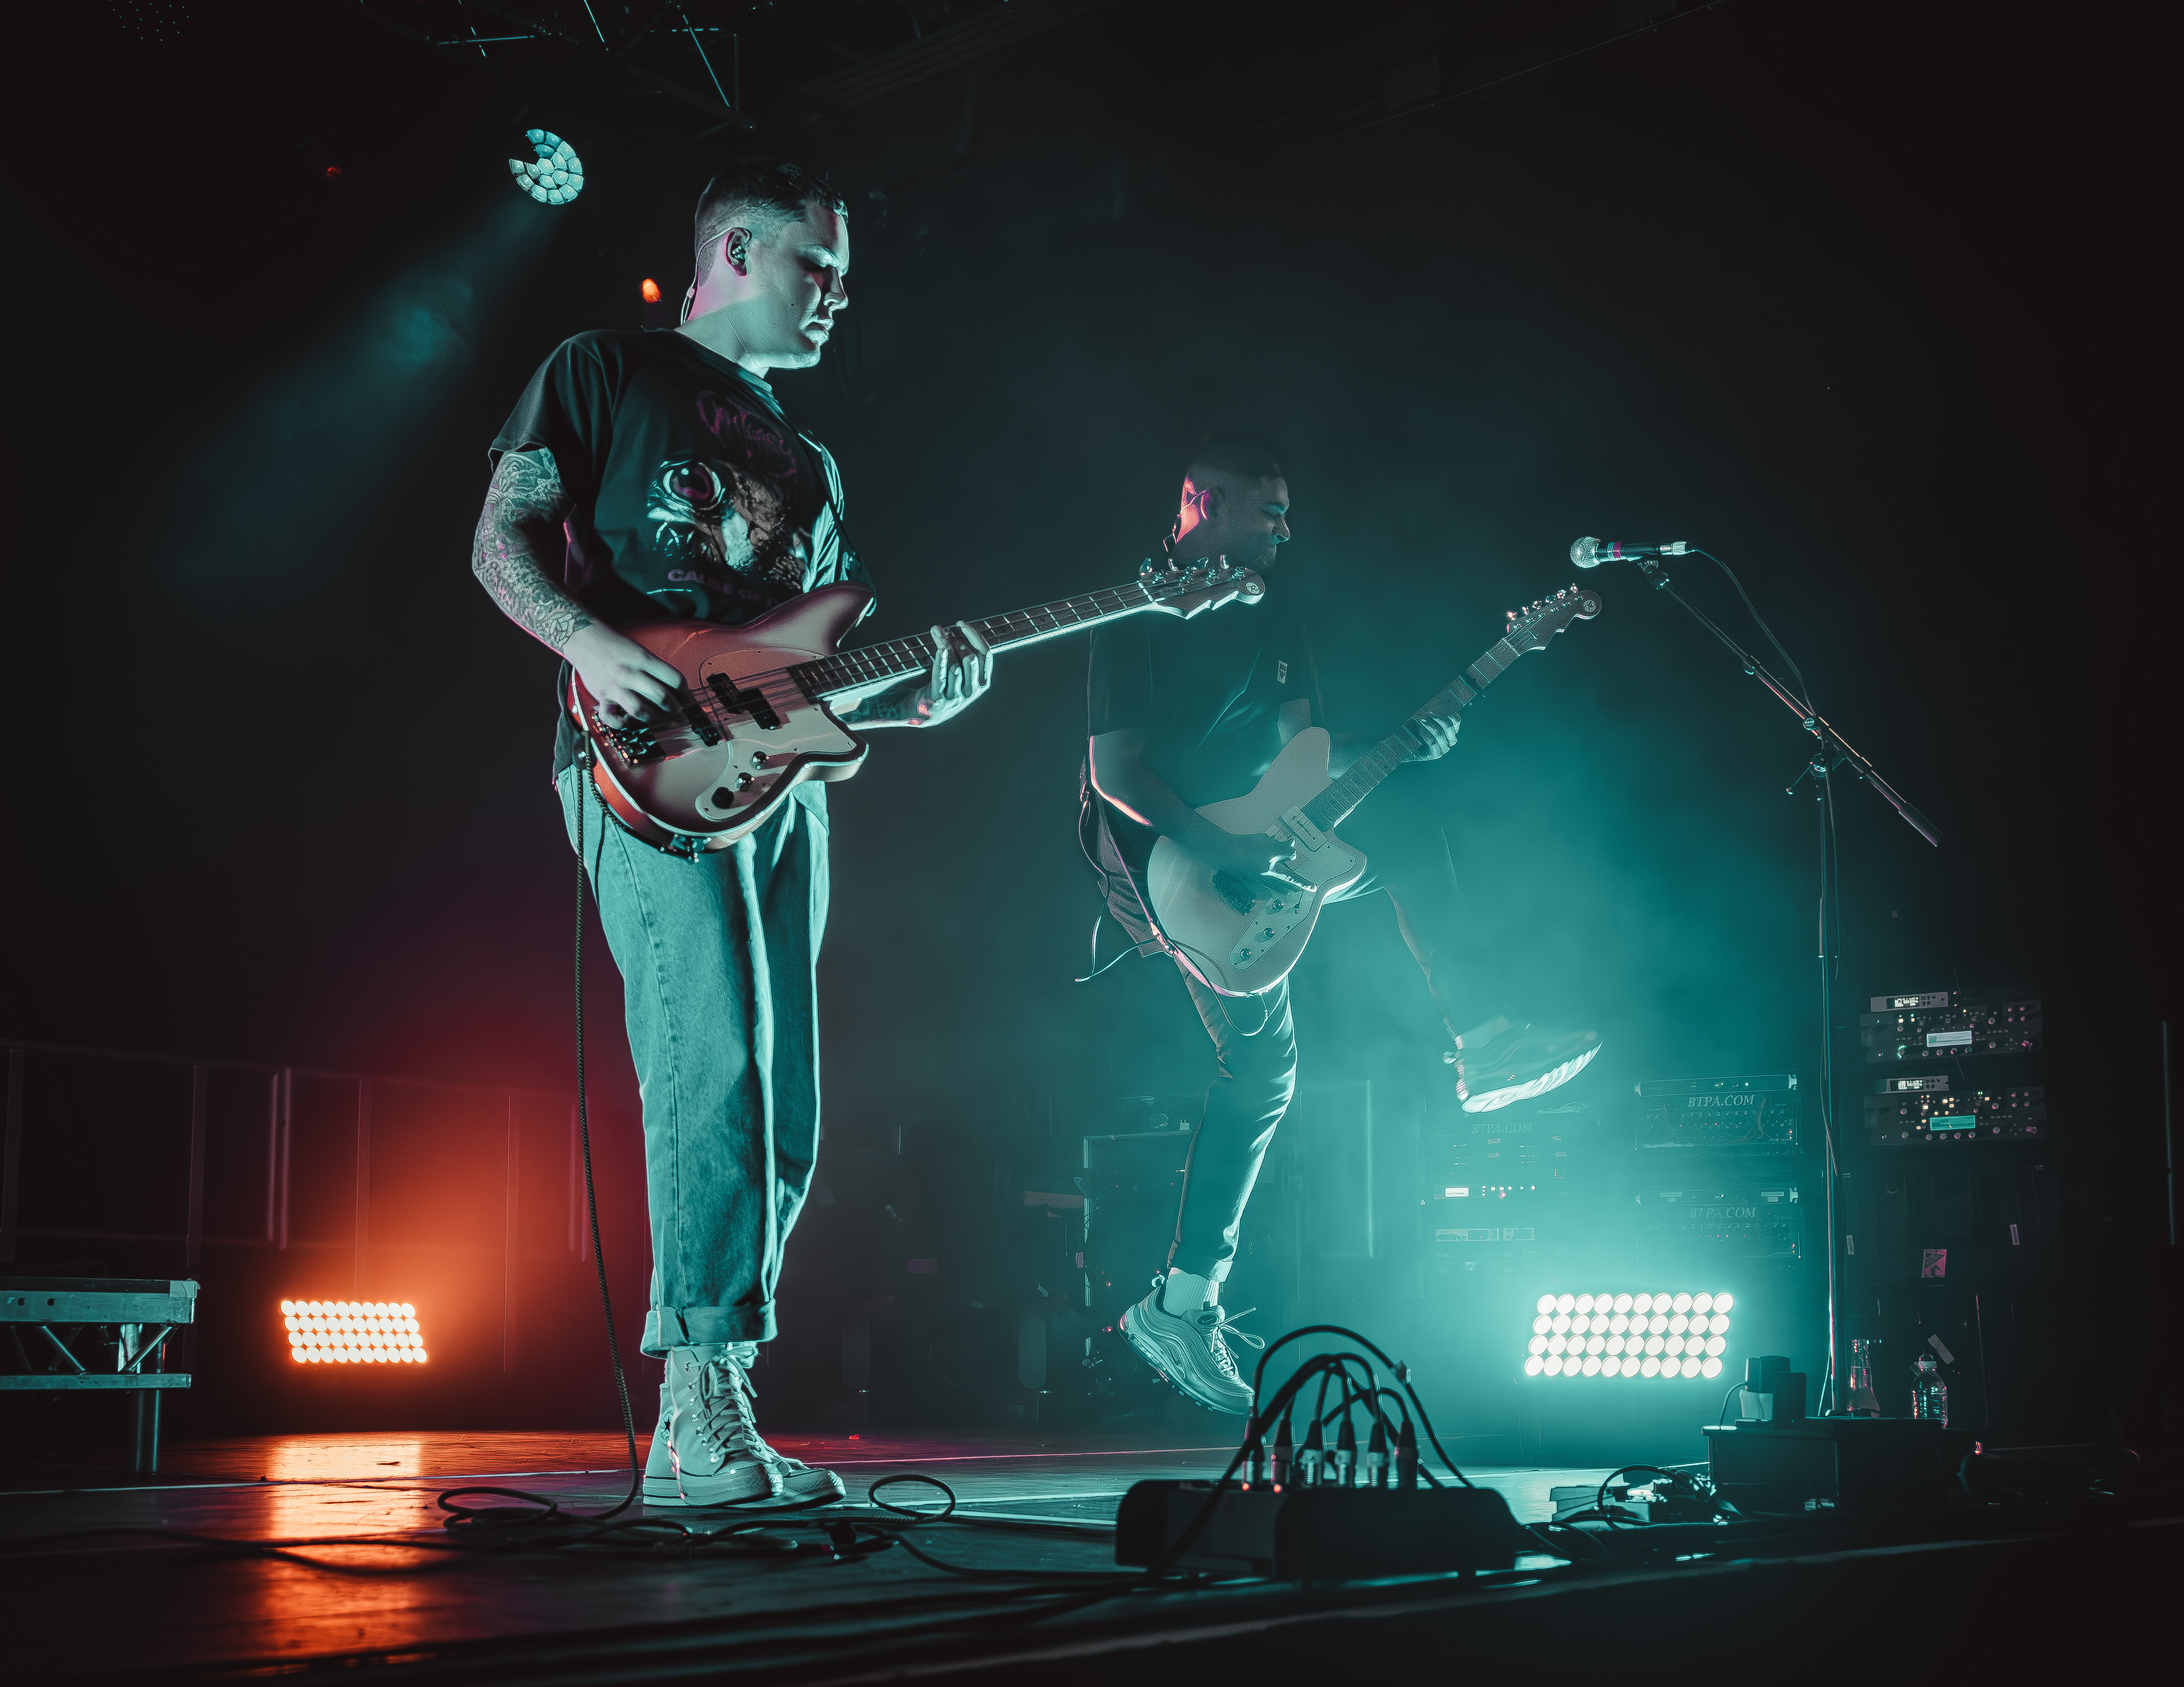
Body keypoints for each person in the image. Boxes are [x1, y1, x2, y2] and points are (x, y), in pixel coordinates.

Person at [472, 158, 995, 1505]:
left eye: (845, 277)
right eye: (819, 266)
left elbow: (810, 677)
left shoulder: (815, 466)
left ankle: (711, 1401)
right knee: (710, 1062)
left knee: (783, 1098)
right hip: (638, 765)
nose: (837, 297)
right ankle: (699, 1402)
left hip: (778, 788)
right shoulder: (606, 368)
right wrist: (590, 642)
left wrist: (913, 702)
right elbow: (500, 544)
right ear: (737, 253)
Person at [1083, 434, 1601, 1415]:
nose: (1286, 529)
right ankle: (1178, 1308)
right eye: (1269, 510)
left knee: (1414, 835)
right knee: (1263, 1069)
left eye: (1287, 511)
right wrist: (1218, 849)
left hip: (1257, 835)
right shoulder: (1138, 608)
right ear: (1203, 502)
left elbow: (1303, 750)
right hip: (1166, 864)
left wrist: (1410, 740)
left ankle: (1485, 1040)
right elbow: (1116, 773)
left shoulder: (1276, 607)